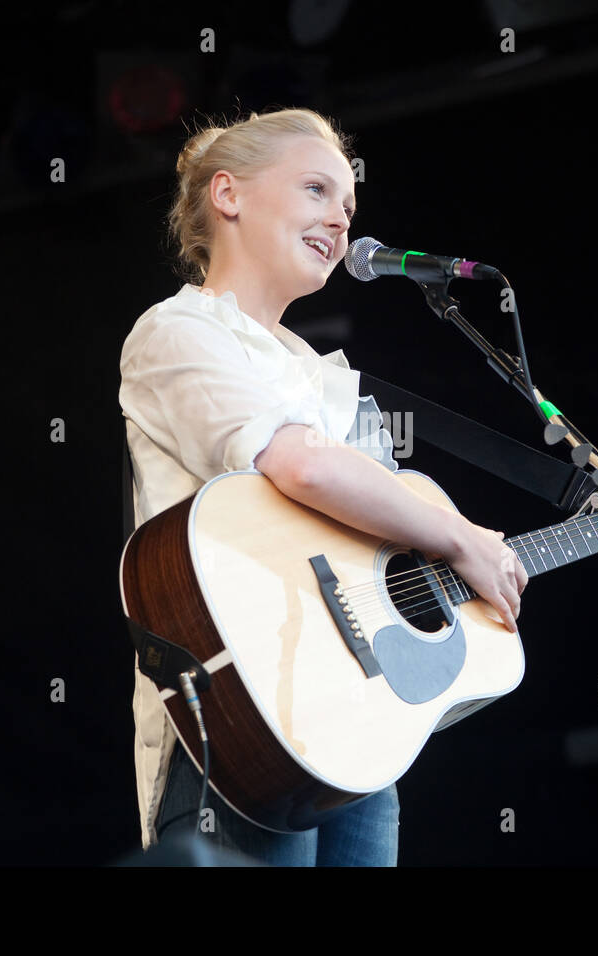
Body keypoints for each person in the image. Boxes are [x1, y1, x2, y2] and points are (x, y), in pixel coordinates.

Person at [119, 107, 528, 866]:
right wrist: (461, 538)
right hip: (242, 718)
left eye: (348, 207)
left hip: (351, 731)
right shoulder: (179, 331)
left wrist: (462, 560)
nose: (340, 221)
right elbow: (299, 466)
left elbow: (366, 541)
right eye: (317, 190)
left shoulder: (316, 372)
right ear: (228, 195)